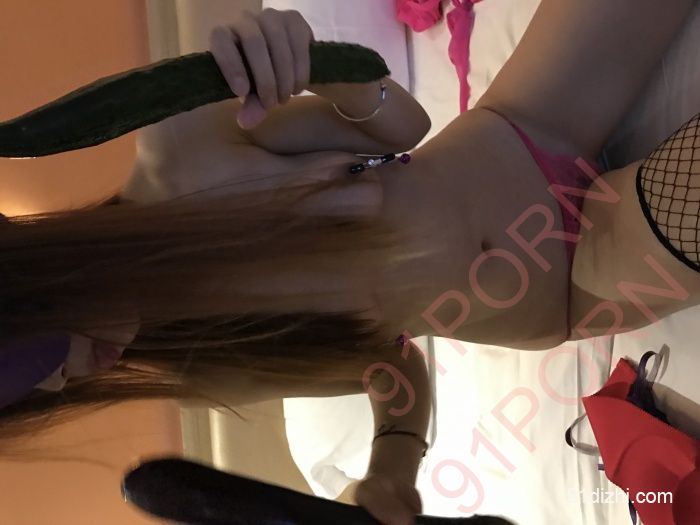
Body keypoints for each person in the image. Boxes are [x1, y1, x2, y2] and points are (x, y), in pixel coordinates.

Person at [1, 2, 699, 524]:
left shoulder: (179, 147)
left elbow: (407, 127)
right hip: (570, 276)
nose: (65, 380)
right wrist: (391, 468)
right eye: (45, 394)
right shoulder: (201, 359)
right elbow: (391, 364)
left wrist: (327, 72)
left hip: (525, 123)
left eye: (41, 360)